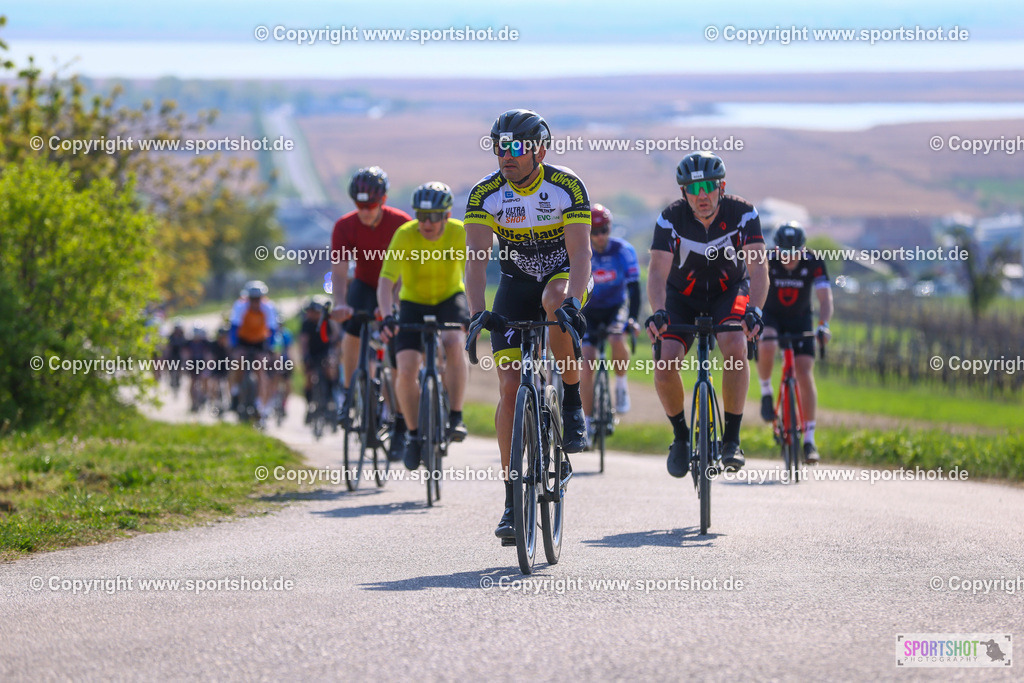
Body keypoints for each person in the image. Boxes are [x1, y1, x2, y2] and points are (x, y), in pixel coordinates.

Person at [464, 108, 592, 540]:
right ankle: (509, 499)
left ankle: (572, 403)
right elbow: (477, 262)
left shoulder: (565, 186)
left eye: (517, 147)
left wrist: (574, 301)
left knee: (554, 300)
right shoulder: (486, 194)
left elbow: (580, 256)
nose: (507, 155)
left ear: (540, 149)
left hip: (562, 278)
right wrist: (478, 311)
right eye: (500, 146)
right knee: (509, 387)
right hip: (516, 285)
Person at [645, 152, 768, 477]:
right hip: (681, 296)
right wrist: (657, 312)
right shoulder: (670, 218)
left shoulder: (743, 213)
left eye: (708, 187)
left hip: (729, 293)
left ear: (721, 186)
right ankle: (681, 437)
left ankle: (732, 439)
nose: (701, 195)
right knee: (665, 360)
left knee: (735, 346)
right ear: (683, 191)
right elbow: (657, 272)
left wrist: (754, 311)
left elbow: (757, 267)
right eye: (693, 188)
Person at [378, 182, 469, 469]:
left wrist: (474, 311)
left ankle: (455, 416)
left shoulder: (459, 232)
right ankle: (414, 436)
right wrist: (387, 315)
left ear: (447, 215)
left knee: (454, 343)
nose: (426, 223)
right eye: (421, 215)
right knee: (405, 370)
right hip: (413, 303)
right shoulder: (405, 234)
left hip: (449, 298)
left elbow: (473, 269)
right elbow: (385, 281)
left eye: (433, 216)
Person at [329, 166, 412, 407]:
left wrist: (393, 305)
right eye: (359, 205)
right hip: (365, 284)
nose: (364, 212)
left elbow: (408, 270)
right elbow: (339, 270)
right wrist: (341, 303)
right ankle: (348, 392)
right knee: (352, 330)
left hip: (396, 285)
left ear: (383, 200)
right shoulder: (344, 226)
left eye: (371, 206)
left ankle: (398, 409)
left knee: (397, 334)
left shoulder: (401, 223)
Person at [756, 222, 833, 463]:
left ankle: (809, 439)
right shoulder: (766, 260)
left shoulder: (814, 261)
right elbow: (753, 289)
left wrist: (823, 325)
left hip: (801, 318)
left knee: (804, 372)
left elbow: (825, 297)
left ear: (803, 249)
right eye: (784, 252)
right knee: (766, 343)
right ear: (776, 249)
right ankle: (766, 391)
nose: (789, 258)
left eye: (795, 252)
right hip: (772, 316)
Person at [580, 203, 640, 440]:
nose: (600, 236)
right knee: (586, 363)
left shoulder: (623, 250)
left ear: (610, 228)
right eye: (594, 232)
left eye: (604, 230)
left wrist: (633, 318)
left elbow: (634, 288)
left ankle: (622, 387)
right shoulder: (581, 251)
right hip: (589, 310)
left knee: (617, 336)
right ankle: (586, 421)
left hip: (616, 308)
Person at [229, 280, 279, 420]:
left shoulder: (268, 307)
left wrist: (270, 348)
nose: (255, 302)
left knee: (260, 369)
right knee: (238, 361)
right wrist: (234, 346)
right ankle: (235, 392)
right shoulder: (240, 306)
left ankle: (258, 405)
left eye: (258, 299)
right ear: (248, 298)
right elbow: (234, 328)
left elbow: (272, 330)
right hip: (243, 340)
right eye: (252, 299)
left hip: (260, 341)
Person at [299, 296, 340, 424]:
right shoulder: (306, 323)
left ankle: (330, 398)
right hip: (312, 353)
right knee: (309, 378)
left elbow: (336, 337)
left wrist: (334, 353)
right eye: (309, 311)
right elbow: (303, 342)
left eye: (314, 311)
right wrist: (305, 356)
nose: (311, 314)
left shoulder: (327, 322)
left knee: (329, 370)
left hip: (325, 352)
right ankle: (309, 404)